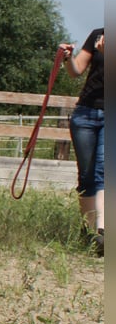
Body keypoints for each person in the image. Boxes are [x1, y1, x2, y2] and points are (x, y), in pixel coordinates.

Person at [59, 28, 104, 256]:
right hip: (85, 113)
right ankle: (88, 233)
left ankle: (103, 231)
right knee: (86, 175)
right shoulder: (99, 34)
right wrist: (67, 57)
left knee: (103, 171)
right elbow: (76, 71)